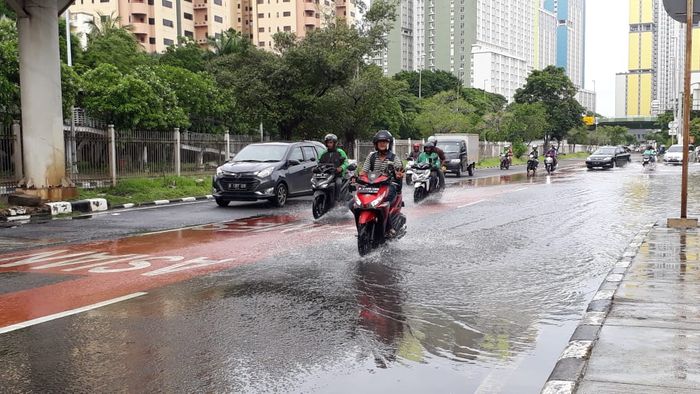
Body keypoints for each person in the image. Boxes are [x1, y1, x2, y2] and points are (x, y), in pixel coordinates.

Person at [360, 130, 404, 207]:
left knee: (386, 201)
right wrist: (359, 177)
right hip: (373, 184)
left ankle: (387, 217)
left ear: (389, 144)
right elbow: (364, 171)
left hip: (389, 185)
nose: (382, 144)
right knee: (353, 202)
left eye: (384, 142)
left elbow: (400, 172)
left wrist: (399, 175)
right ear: (376, 144)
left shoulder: (394, 158)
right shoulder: (371, 157)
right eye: (379, 142)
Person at [318, 133, 349, 201]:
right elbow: (319, 162)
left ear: (334, 143)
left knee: (338, 183)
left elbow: (346, 162)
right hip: (326, 174)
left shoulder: (340, 152)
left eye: (331, 142)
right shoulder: (323, 153)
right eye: (327, 143)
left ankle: (337, 199)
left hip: (337, 175)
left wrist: (341, 168)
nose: (329, 144)